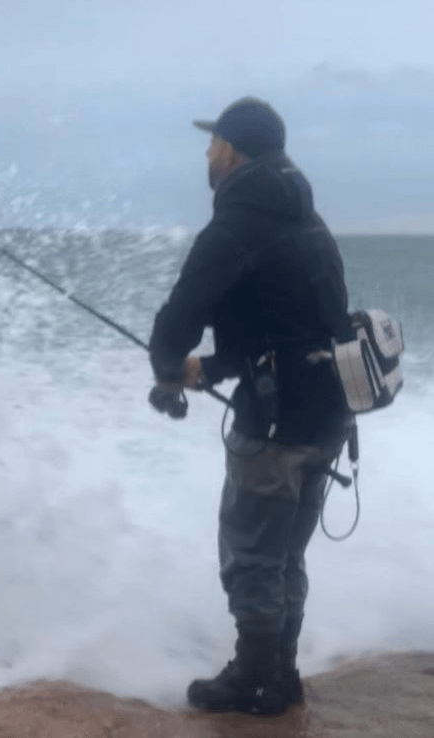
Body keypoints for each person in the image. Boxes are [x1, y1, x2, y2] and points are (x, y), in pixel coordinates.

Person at [148, 97, 352, 716]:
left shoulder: (235, 226)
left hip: (275, 425)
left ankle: (255, 679)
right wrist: (208, 369)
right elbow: (288, 328)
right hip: (329, 416)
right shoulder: (308, 223)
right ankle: (281, 674)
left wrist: (167, 371)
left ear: (233, 151)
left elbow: (177, 321)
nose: (207, 155)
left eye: (213, 144)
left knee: (252, 557)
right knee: (285, 555)